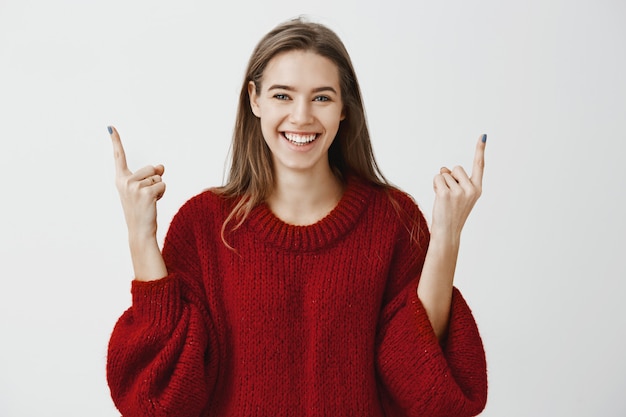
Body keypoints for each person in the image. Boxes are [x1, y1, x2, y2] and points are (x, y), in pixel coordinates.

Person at [106, 17, 488, 417]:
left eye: (322, 98)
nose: (302, 116)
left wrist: (447, 236)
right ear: (254, 99)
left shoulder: (392, 220)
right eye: (282, 96)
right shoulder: (204, 226)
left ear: (344, 108)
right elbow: (159, 401)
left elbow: (424, 390)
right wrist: (140, 237)